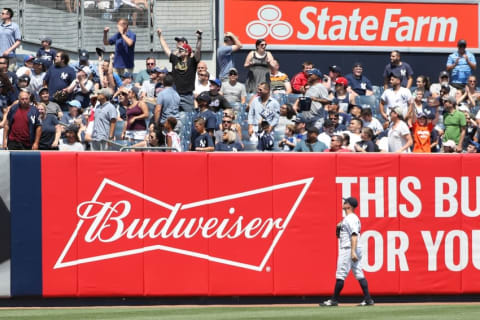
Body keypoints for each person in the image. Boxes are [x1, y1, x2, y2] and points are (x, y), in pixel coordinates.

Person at [321, 197, 374, 307]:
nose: (343, 203)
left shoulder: (350, 218)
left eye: (345, 202)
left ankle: (334, 300)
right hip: (353, 248)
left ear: (349, 206)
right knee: (359, 273)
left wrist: (353, 252)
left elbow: (354, 235)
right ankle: (368, 299)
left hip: (349, 248)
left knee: (341, 274)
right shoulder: (350, 218)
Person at [157, 28, 202, 112]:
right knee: (173, 116)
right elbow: (166, 48)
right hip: (175, 93)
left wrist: (199, 38)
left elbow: (198, 51)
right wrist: (160, 36)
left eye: (182, 49)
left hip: (187, 96)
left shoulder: (192, 62)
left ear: (187, 52)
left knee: (189, 118)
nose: (179, 50)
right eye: (179, 49)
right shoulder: (175, 59)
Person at [0, 8, 21, 72]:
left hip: (10, 56)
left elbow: (18, 41)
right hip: (0, 56)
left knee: (9, 75)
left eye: (3, 13)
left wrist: (8, 51)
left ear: (8, 15)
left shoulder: (15, 26)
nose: (0, 14)